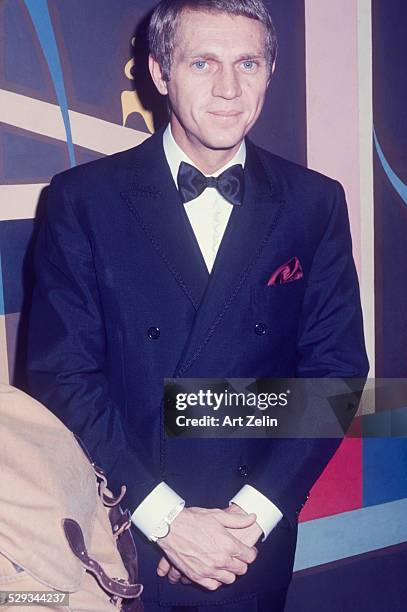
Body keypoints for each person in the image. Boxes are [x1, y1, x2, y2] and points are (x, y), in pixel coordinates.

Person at [26, 1, 369, 610]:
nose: (229, 89)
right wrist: (168, 520)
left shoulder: (314, 202)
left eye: (248, 62)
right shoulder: (83, 202)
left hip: (251, 547)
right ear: (159, 73)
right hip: (126, 536)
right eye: (203, 62)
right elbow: (62, 375)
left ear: (270, 71)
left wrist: (249, 519)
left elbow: (335, 370)